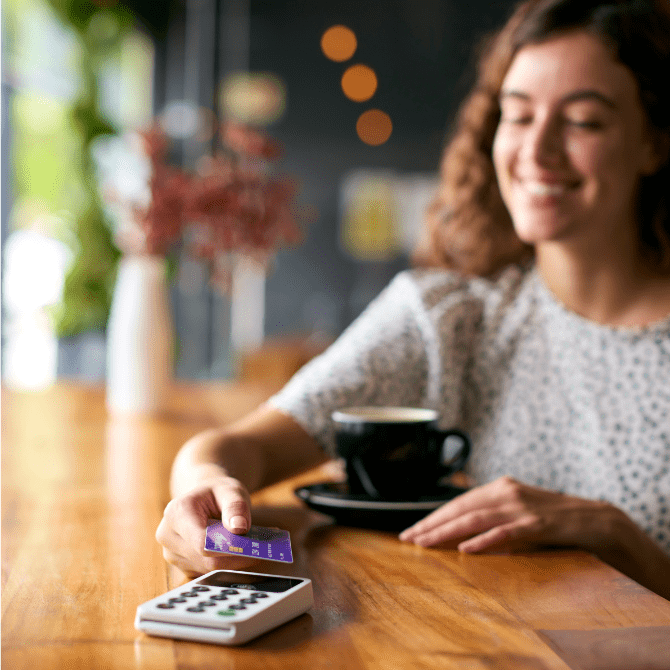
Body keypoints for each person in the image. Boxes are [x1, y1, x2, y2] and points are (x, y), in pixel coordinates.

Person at [156, 0, 670, 599]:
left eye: (584, 121)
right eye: (519, 115)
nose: (538, 149)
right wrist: (204, 490)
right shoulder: (455, 317)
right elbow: (230, 448)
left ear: (655, 144)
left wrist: (620, 539)